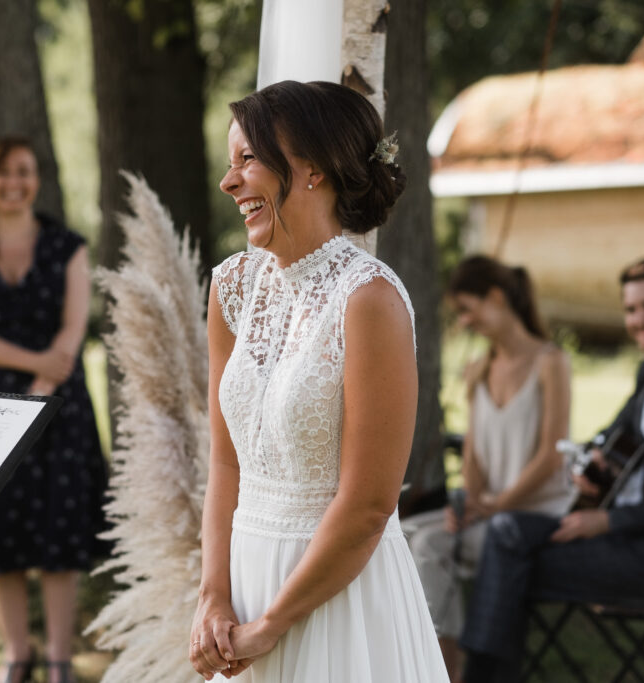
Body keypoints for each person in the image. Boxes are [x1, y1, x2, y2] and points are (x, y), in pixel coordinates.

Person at [189, 80, 448, 682]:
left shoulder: (369, 300)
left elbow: (369, 504)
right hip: (243, 593)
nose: (229, 184)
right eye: (231, 165)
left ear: (312, 169)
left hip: (337, 598)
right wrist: (213, 597)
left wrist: (274, 624)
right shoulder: (231, 287)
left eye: (247, 160)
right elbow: (226, 465)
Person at [460, 256, 644, 683]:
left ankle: (480, 676)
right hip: (621, 539)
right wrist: (593, 461)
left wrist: (608, 519)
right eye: (631, 309)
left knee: (507, 563)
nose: (639, 320)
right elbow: (611, 435)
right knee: (508, 532)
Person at [0, 138, 108, 683]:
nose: (14, 182)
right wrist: (34, 363)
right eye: (3, 173)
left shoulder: (68, 246)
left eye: (25, 172)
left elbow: (74, 324)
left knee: (58, 533)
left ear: (37, 178)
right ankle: (17, 654)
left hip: (61, 405)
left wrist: (46, 374)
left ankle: (59, 658)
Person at [402, 256, 572, 681]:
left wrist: (495, 507)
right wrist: (470, 502)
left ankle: (448, 671)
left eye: (467, 308)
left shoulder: (551, 363)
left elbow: (552, 456)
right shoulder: (479, 370)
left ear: (496, 297)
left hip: (534, 515)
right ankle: (417, 660)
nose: (464, 321)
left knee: (427, 546)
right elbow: (474, 455)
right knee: (402, 534)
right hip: (489, 512)